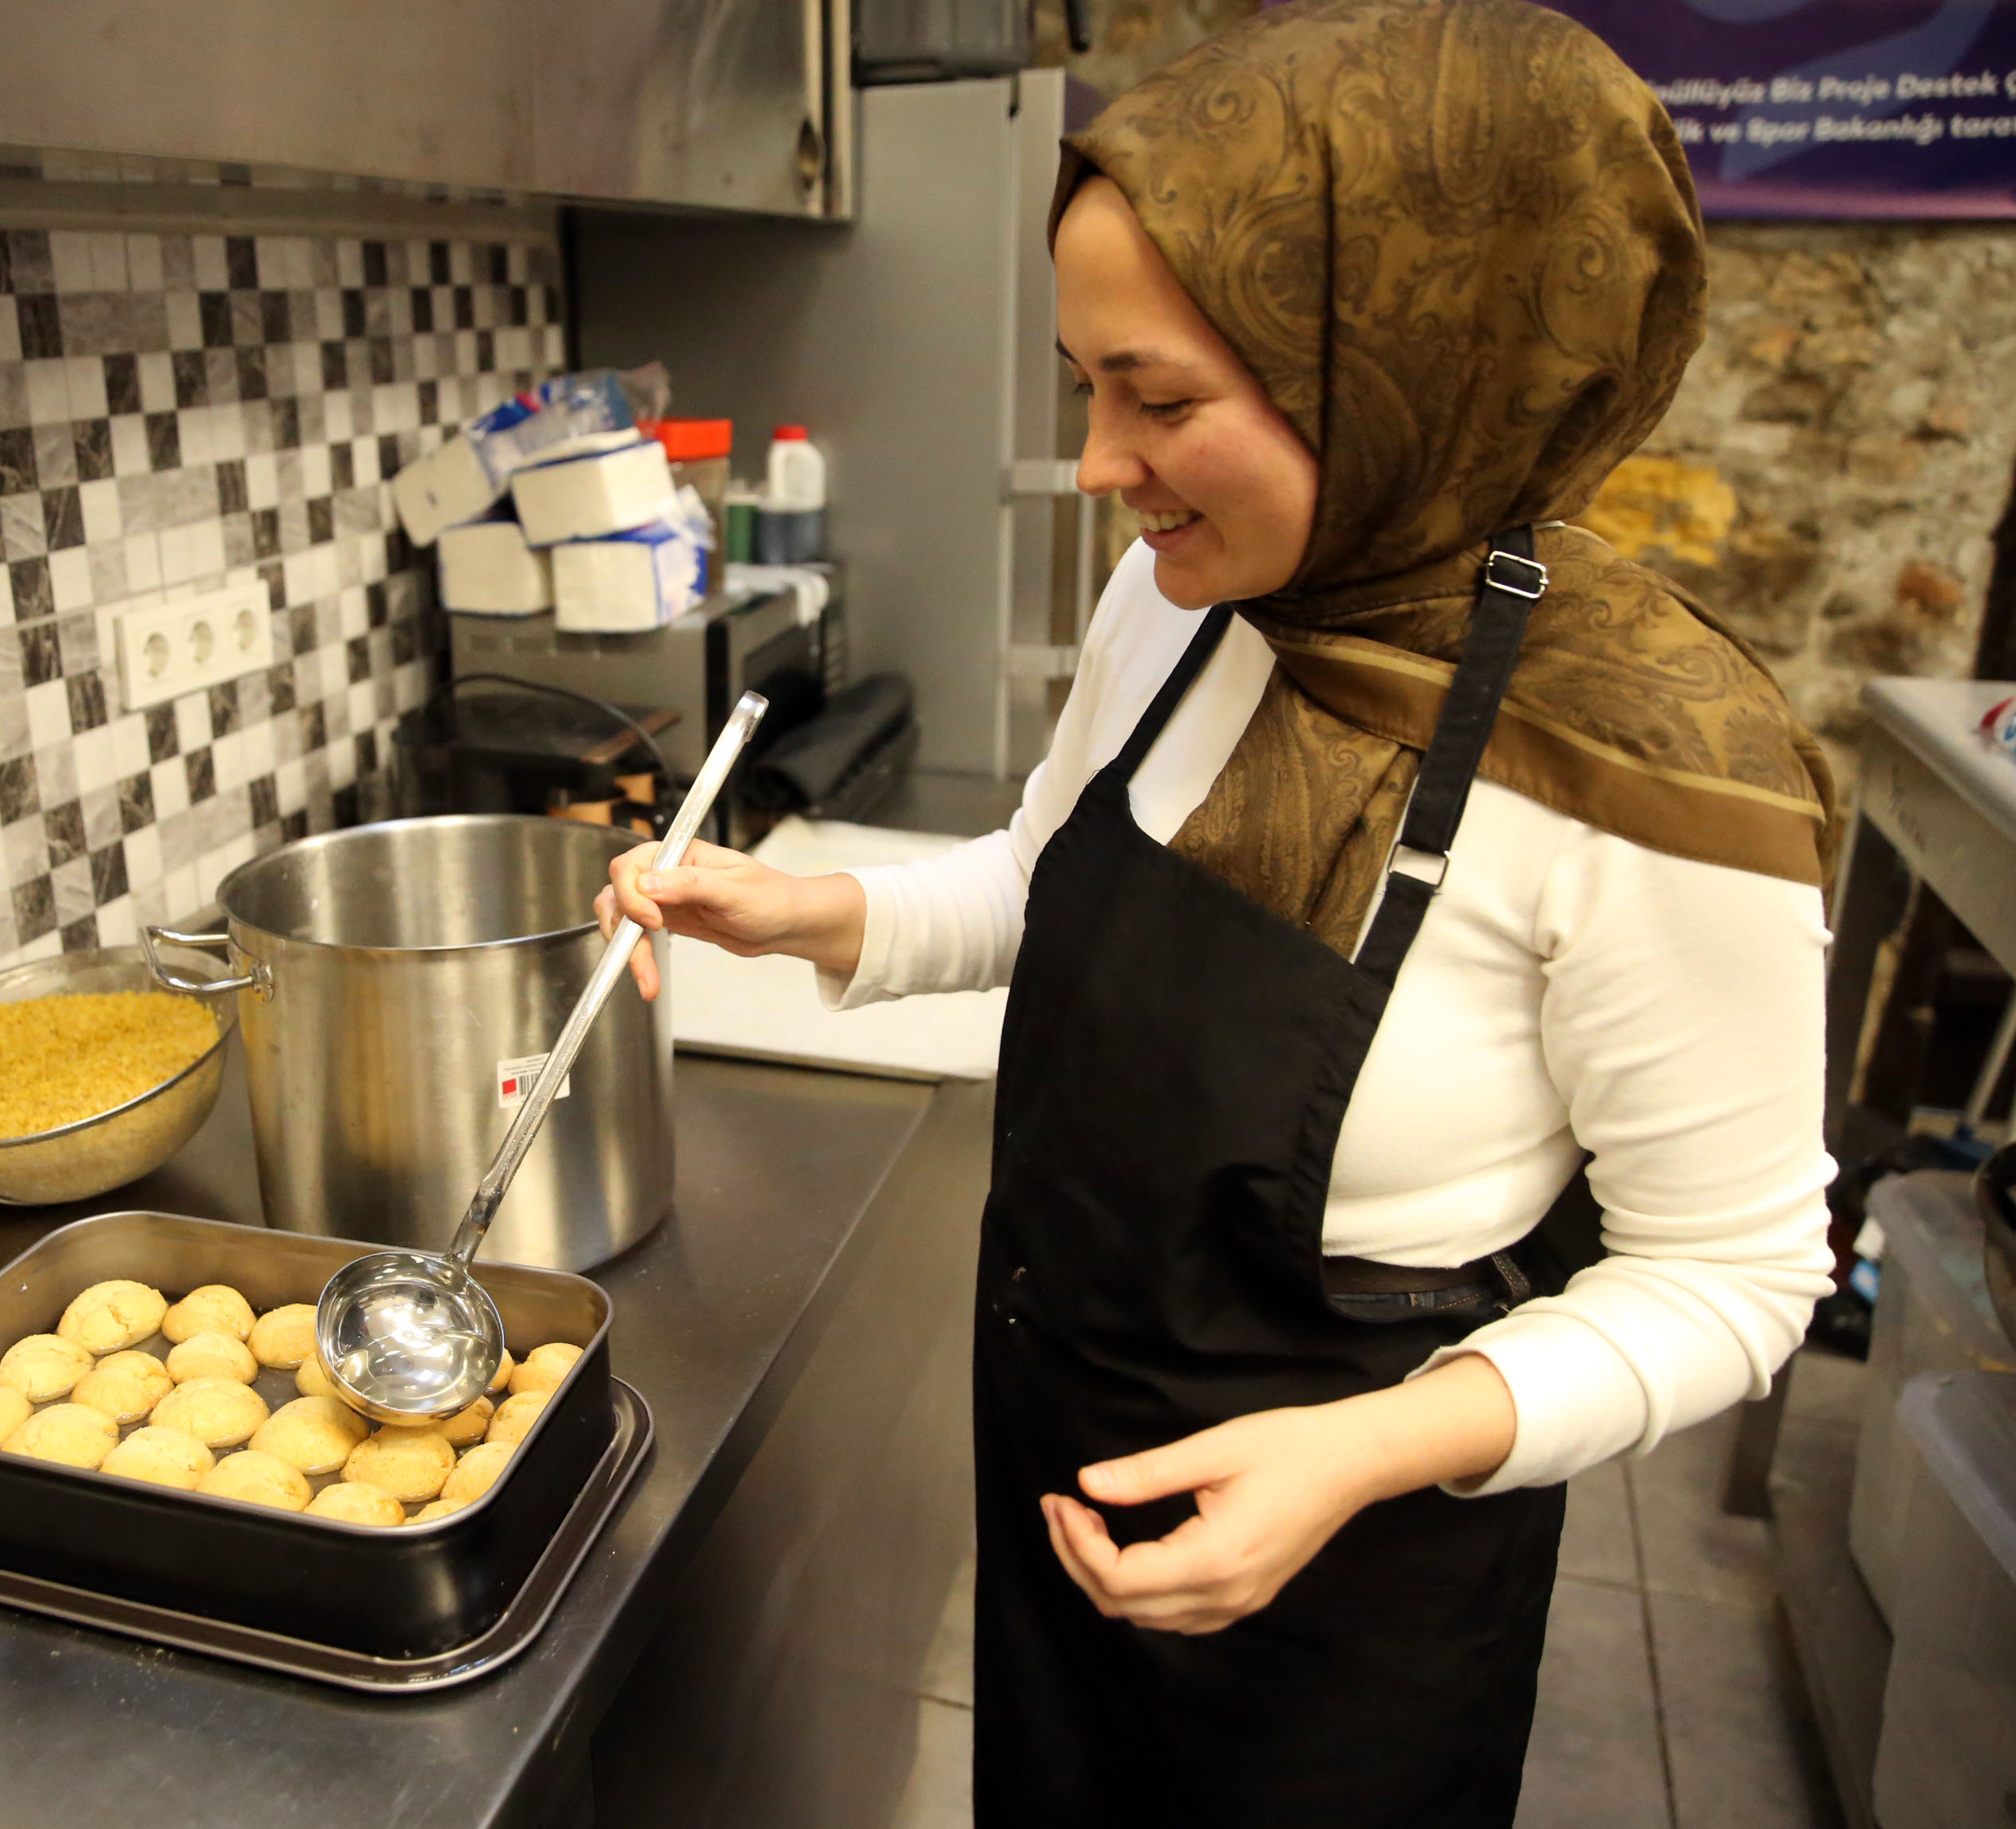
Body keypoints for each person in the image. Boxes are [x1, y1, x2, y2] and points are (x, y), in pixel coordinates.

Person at [595, 1, 1841, 1821]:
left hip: (1354, 1592)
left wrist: (1361, 1457)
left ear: (1405, 359)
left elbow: (1732, 1278)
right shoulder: (1186, 602)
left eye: (1162, 398)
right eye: (1086, 382)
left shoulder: (1652, 773)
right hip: (1064, 1473)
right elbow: (1051, 882)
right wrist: (811, 914)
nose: (1103, 465)